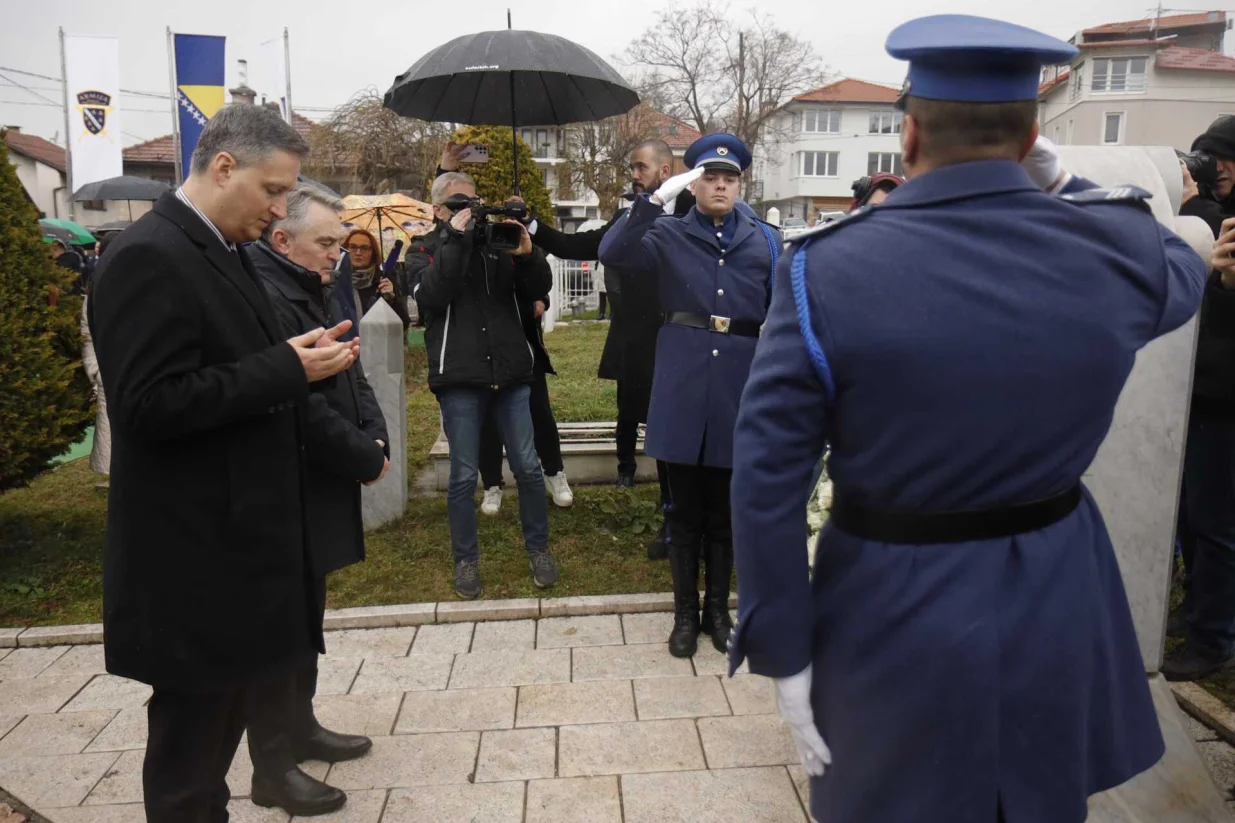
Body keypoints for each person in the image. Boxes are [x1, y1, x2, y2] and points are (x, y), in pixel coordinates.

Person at [727, 15, 1207, 823]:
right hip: (1057, 588)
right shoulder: (1118, 250)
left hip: (889, 599)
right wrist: (1068, 188)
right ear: (1031, 139)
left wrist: (782, 646)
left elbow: (767, 477)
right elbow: (1176, 267)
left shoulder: (823, 268)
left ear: (907, 136)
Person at [87, 104, 360, 823]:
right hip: (191, 557)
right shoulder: (150, 253)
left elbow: (249, 367)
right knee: (189, 765)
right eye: (273, 190)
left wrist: (302, 363)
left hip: (239, 548)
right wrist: (285, 370)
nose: (279, 210)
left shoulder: (223, 249)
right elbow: (147, 405)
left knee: (217, 742)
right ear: (223, 167)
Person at [599, 133, 782, 657]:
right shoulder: (667, 232)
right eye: (709, 177)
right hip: (680, 382)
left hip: (739, 385)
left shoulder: (765, 241)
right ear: (693, 183)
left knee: (725, 509)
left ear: (740, 184)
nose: (719, 185)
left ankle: (718, 612)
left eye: (729, 178)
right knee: (681, 508)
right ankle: (683, 613)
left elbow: (785, 313)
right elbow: (612, 251)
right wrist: (651, 201)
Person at [247, 185, 390, 815]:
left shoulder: (314, 282)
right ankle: (271, 766)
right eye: (327, 242)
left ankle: (300, 725)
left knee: (307, 612)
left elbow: (349, 366)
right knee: (275, 625)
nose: (340, 254)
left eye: (339, 242)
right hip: (286, 479)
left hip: (322, 476)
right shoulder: (263, 293)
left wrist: (376, 435)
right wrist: (360, 455)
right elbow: (296, 398)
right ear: (283, 239)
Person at [512, 139, 694, 559]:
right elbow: (583, 245)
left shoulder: (691, 211)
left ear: (665, 172)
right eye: (632, 167)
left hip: (677, 341)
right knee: (632, 413)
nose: (633, 174)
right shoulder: (628, 214)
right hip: (634, 338)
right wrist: (533, 225)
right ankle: (651, 498)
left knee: (673, 436)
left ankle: (679, 519)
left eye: (640, 167)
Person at [414, 170, 558, 598]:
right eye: (458, 205)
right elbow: (432, 296)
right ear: (439, 210)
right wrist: (457, 240)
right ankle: (466, 559)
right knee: (462, 475)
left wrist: (529, 255)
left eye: (472, 203)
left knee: (529, 468)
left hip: (511, 373)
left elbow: (536, 291)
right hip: (460, 377)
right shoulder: (423, 248)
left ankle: (539, 549)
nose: (469, 211)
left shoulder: (497, 244)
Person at [1162, 116, 1235, 680]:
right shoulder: (1213, 212)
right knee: (1191, 516)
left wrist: (1197, 213)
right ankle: (1197, 614)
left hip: (1225, 401)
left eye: (1223, 158)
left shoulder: (1216, 219)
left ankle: (1213, 641)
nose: (1216, 169)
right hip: (1197, 393)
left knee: (1216, 526)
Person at [479, 288, 574, 514]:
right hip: (483, 348)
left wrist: (541, 298)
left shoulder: (517, 253)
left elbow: (536, 275)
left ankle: (554, 473)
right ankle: (492, 485)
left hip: (523, 347)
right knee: (488, 421)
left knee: (539, 412)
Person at [342, 228, 411, 331]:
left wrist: (391, 299)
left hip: (377, 342)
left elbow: (403, 324)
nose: (358, 252)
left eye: (365, 248)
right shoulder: (337, 281)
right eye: (352, 247)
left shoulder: (384, 280)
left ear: (373, 252)